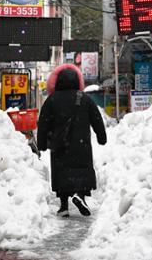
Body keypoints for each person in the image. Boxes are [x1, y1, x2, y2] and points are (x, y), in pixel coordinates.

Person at [37, 64, 107, 218]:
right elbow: (97, 119)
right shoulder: (84, 99)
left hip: (60, 145)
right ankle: (80, 196)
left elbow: (43, 123)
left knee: (62, 173)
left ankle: (63, 207)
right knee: (81, 170)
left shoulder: (52, 100)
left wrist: (41, 143)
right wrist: (102, 137)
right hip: (81, 145)